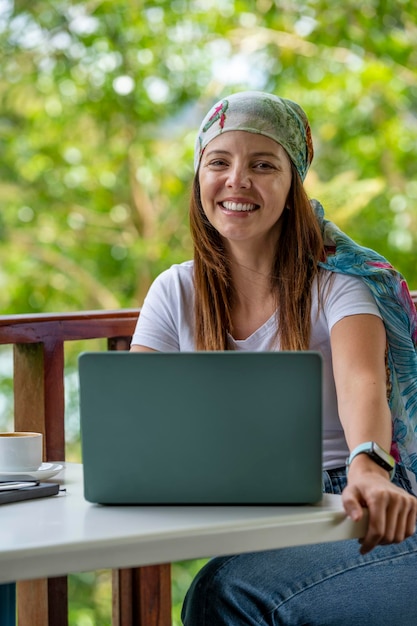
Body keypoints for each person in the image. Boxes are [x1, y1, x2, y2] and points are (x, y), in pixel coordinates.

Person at [131, 91, 417, 625]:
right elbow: (134, 413)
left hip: (349, 504)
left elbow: (361, 382)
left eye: (263, 165)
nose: (238, 180)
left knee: (223, 594)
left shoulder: (340, 285)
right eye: (219, 162)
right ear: (199, 177)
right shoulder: (174, 289)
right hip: (239, 504)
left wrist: (370, 467)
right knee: (220, 589)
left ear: (292, 185)